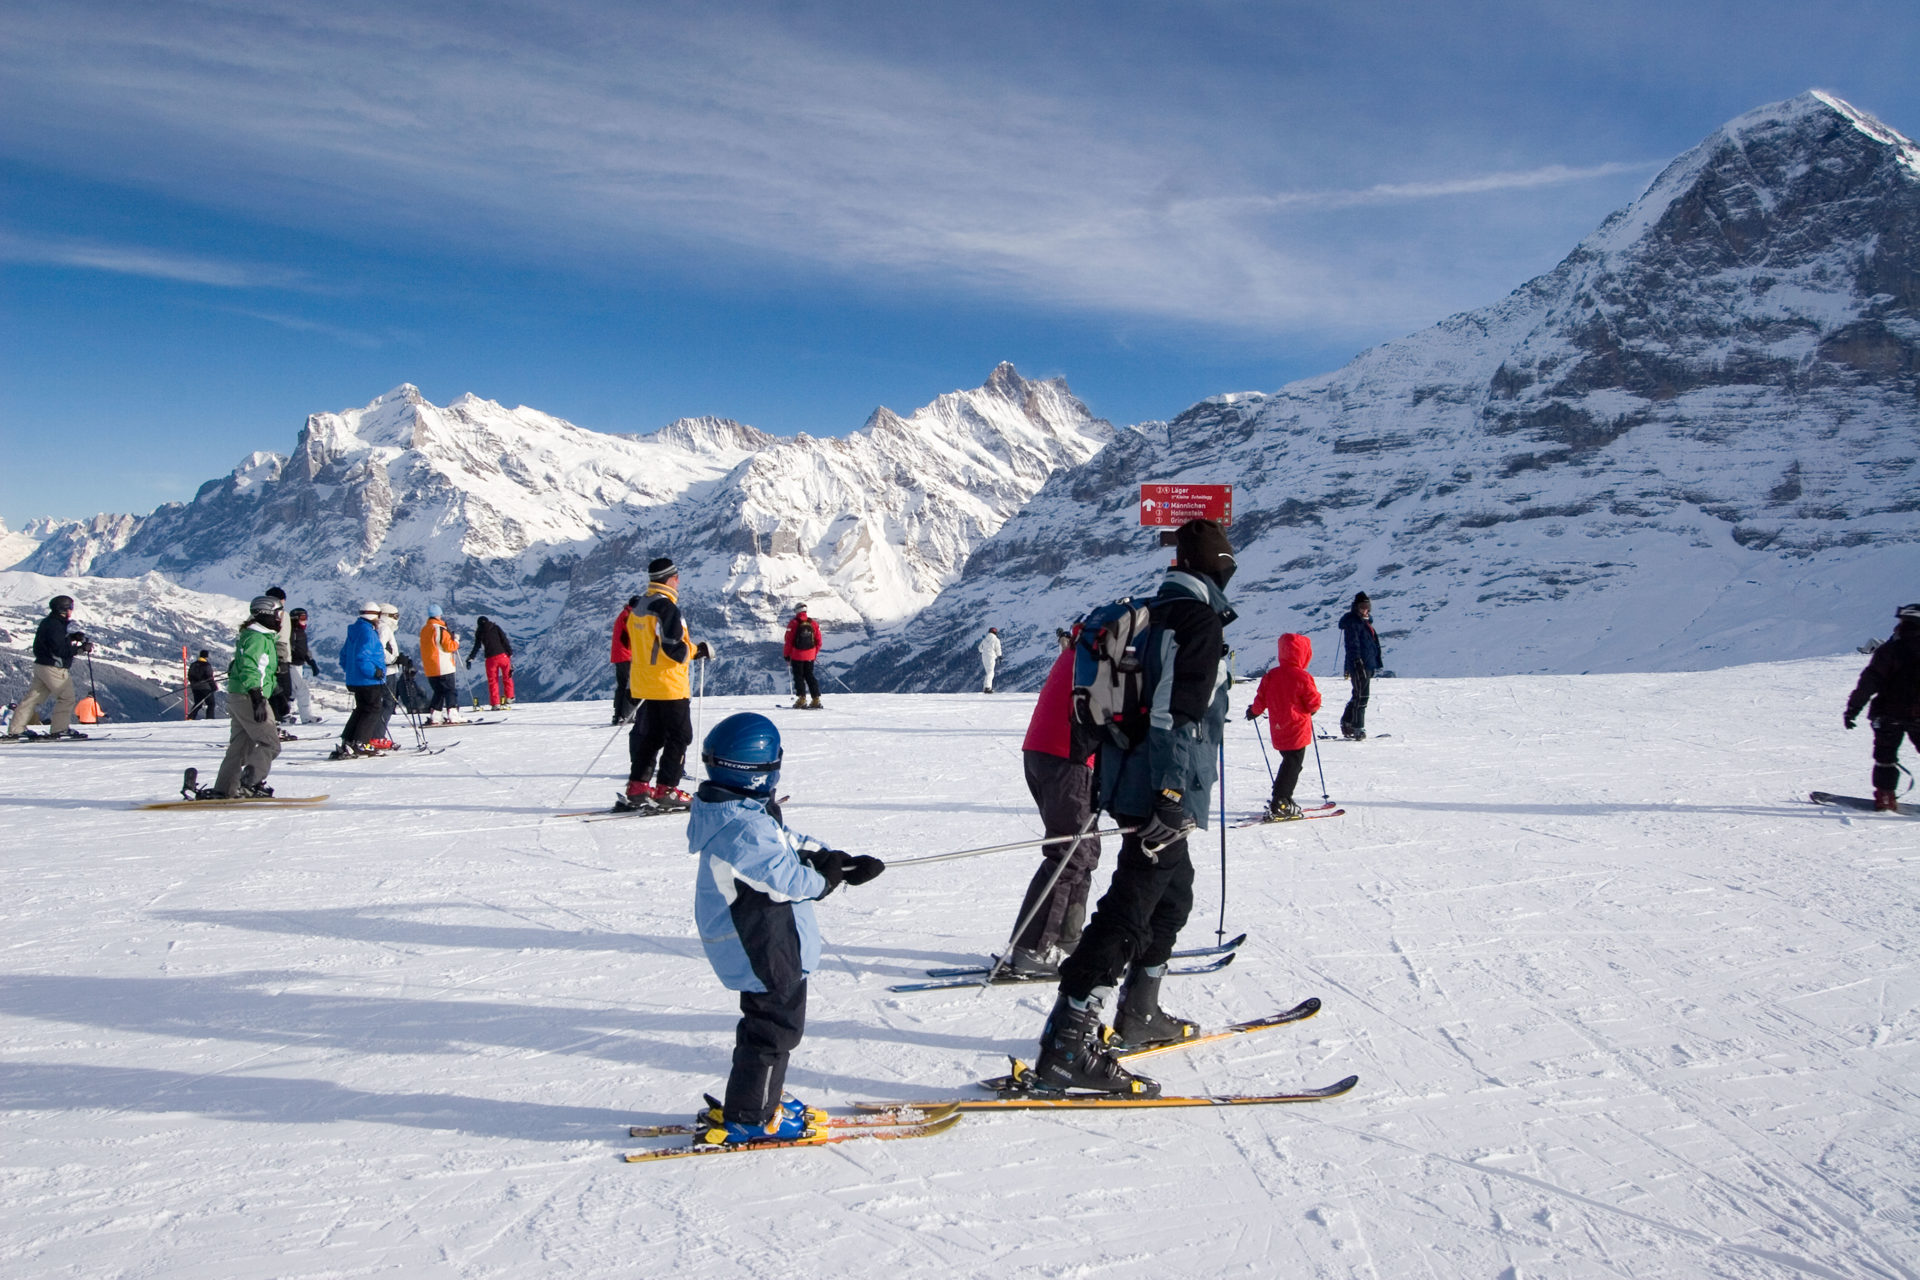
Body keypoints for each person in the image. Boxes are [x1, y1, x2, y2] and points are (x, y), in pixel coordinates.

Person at [1031, 518, 1237, 1097]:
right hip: (1160, 789)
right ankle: (1069, 1040)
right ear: (1218, 567)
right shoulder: (1195, 621)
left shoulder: (1149, 614)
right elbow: (1176, 714)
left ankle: (1140, 1012)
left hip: (1127, 779)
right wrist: (1173, 796)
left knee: (1173, 895)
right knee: (1130, 906)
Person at [685, 712, 885, 1144]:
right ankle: (751, 1116)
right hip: (759, 944)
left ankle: (757, 1097)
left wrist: (837, 859)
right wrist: (827, 879)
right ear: (761, 770)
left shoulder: (738, 809)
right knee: (775, 1029)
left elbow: (785, 841)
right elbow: (788, 879)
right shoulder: (741, 829)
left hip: (763, 937)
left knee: (766, 1023)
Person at [1001, 629, 1100, 978]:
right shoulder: (1099, 658)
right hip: (1066, 759)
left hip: (1049, 755)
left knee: (1082, 851)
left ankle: (1066, 937)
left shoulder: (1081, 650)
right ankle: (1033, 948)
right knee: (1070, 854)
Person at [618, 557, 713, 811]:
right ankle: (667, 790)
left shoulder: (640, 606)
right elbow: (675, 649)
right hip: (668, 684)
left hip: (644, 683)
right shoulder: (666, 608)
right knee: (680, 735)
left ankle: (638, 786)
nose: (679, 581)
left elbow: (629, 642)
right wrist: (697, 650)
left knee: (652, 735)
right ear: (670, 579)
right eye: (677, 577)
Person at [1844, 603, 1920, 812]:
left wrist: (1852, 710)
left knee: (1885, 757)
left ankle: (1885, 799)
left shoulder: (1889, 651)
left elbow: (1868, 683)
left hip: (1887, 715)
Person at [206, 595, 284, 797]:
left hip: (240, 696)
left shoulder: (257, 636)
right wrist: (257, 696)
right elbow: (250, 667)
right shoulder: (257, 638)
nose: (280, 619)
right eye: (278, 614)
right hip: (249, 697)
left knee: (240, 747)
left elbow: (259, 668)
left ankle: (224, 789)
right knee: (270, 744)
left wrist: (275, 690)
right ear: (266, 614)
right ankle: (248, 783)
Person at [1246, 633, 1323, 819]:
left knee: (1289, 762)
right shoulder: (1302, 676)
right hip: (1297, 729)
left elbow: (1261, 699)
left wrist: (1254, 711)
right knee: (1293, 764)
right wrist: (1312, 710)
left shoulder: (1271, 675)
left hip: (1278, 728)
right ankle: (1281, 801)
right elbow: (1313, 702)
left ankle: (1280, 795)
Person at [5, 595, 92, 739]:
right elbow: (60, 650)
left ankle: (16, 729)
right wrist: (81, 649)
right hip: (54, 668)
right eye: (70, 607)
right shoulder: (56, 625)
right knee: (66, 697)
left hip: (41, 665)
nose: (71, 610)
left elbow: (53, 642)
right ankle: (59, 729)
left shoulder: (50, 622)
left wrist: (72, 637)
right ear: (63, 610)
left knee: (32, 699)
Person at [334, 603, 392, 758]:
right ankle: (361, 742)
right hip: (369, 680)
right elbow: (363, 657)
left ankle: (348, 740)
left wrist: (352, 672)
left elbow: (344, 656)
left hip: (356, 679)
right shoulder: (368, 633)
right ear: (374, 615)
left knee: (361, 709)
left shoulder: (354, 631)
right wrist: (374, 672)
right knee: (372, 710)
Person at [1338, 592, 1382, 740]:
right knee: (1362, 696)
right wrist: (1357, 662)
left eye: (1368, 607)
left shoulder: (1366, 622)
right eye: (1363, 607)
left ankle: (1348, 722)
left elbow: (1372, 644)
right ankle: (1358, 727)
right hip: (1359, 664)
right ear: (1356, 607)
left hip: (1368, 664)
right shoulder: (1353, 623)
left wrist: (1374, 662)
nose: (1365, 610)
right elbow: (1353, 645)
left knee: (1358, 694)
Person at [419, 611, 463, 724]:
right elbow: (449, 647)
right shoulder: (440, 629)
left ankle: (435, 716)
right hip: (443, 665)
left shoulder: (424, 630)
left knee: (438, 691)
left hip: (430, 667)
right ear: (438, 615)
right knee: (450, 690)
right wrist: (456, 640)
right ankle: (453, 715)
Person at [467, 615, 515, 710]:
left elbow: (477, 646)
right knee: (507, 677)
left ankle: (495, 703)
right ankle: (509, 697)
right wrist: (509, 653)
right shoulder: (495, 627)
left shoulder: (479, 632)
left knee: (493, 681)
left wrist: (470, 658)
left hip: (490, 659)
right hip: (503, 656)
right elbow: (504, 640)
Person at [783, 604, 823, 709]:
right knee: (810, 676)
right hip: (810, 655)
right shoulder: (813, 623)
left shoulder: (793, 623)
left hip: (797, 655)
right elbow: (819, 641)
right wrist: (814, 653)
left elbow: (788, 641)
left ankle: (802, 699)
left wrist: (787, 655)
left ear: (796, 611)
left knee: (799, 677)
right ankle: (816, 699)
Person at [264, 586, 294, 725]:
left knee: (269, 690)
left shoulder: (258, 614)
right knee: (283, 691)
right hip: (280, 658)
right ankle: (277, 722)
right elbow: (282, 638)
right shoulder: (282, 614)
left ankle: (270, 721)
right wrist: (282, 659)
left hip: (264, 658)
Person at [288, 608, 321, 724]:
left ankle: (285, 715)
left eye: (306, 618)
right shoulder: (290, 632)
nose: (305, 621)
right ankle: (306, 717)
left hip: (298, 664)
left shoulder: (301, 632)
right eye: (302, 618)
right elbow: (290, 649)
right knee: (302, 690)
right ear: (295, 619)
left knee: (292, 691)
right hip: (290, 664)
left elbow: (305, 649)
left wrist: (311, 662)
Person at [611, 595, 639, 725]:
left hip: (619, 655)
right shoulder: (628, 616)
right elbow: (634, 633)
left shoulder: (625, 614)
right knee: (630, 684)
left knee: (622, 685)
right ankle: (625, 715)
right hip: (625, 655)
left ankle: (618, 715)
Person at [187, 650, 218, 720]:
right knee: (211, 704)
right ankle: (210, 718)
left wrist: (193, 683)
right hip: (205, 688)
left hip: (195, 687)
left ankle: (191, 717)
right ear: (206, 656)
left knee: (198, 703)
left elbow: (189, 676)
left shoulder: (193, 664)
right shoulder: (207, 665)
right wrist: (214, 687)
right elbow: (209, 677)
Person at [979, 626, 1002, 694]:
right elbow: (998, 648)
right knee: (990, 672)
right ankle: (987, 688)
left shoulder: (985, 639)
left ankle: (987, 687)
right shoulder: (996, 640)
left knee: (988, 671)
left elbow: (980, 648)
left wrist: (984, 652)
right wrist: (999, 656)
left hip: (984, 657)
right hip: (991, 656)